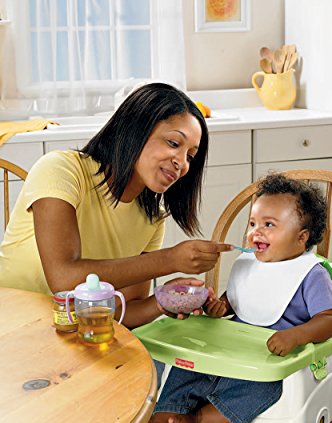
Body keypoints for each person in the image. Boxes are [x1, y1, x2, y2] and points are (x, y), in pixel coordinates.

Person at [129, 173, 332, 423]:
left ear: (302, 237)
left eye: (269, 225)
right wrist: (220, 307)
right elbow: (236, 301)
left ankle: (198, 419)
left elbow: (329, 320)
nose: (256, 232)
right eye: (253, 223)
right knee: (185, 367)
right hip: (232, 353)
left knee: (261, 387)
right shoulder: (248, 265)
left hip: (273, 362)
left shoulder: (311, 274)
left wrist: (296, 336)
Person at [0, 82, 232, 329]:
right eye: (174, 143)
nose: (182, 163)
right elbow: (64, 279)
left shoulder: (151, 219)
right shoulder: (61, 170)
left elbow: (121, 314)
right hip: (12, 327)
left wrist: (161, 301)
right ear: (136, 130)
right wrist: (170, 259)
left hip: (76, 334)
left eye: (190, 156)